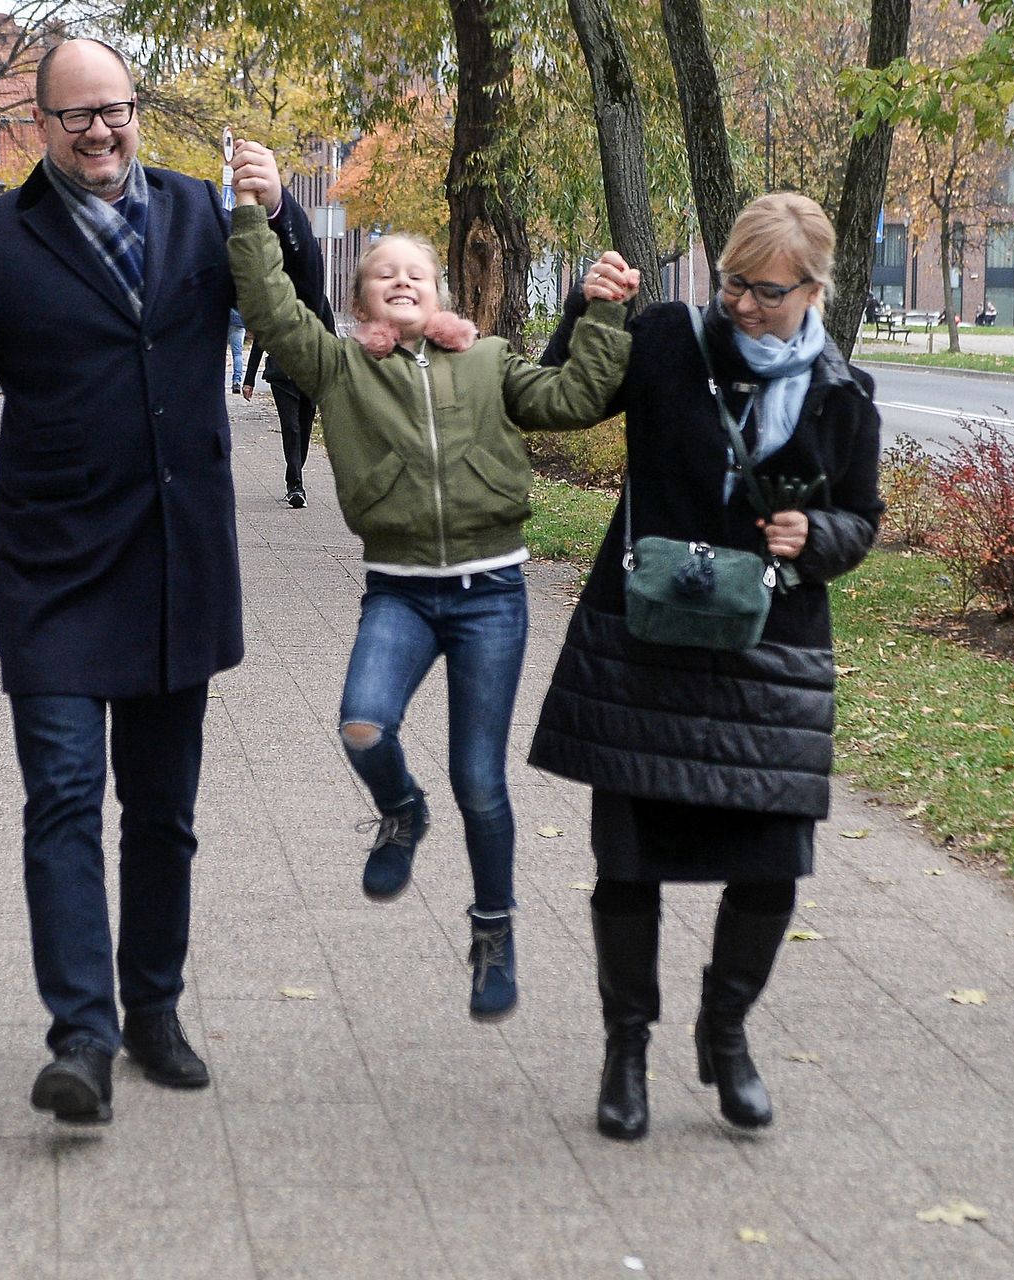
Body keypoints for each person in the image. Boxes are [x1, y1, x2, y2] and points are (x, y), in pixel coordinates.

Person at [0, 39, 326, 1126]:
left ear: (135, 113)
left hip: (176, 562)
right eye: (78, 114)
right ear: (40, 125)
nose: (102, 130)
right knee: (59, 801)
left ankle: (153, 1008)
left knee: (163, 811)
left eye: (117, 109)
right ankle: (81, 1037)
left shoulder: (201, 213)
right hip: (52, 565)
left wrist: (279, 213)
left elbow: (299, 316)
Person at [229, 139, 638, 1020]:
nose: (402, 280)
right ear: (359, 300)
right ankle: (400, 813)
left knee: (481, 781)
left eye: (417, 270)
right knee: (363, 724)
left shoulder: (488, 366)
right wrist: (257, 213)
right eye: (383, 274)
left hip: (492, 594)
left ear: (443, 295)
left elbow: (572, 400)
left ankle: (493, 931)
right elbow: (267, 307)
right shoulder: (340, 369)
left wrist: (601, 312)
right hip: (401, 591)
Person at [529, 193, 883, 1139]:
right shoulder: (664, 341)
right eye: (730, 281)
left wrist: (818, 533)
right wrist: (585, 306)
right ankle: (626, 1047)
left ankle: (724, 1032)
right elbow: (557, 396)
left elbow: (863, 521)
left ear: (813, 289)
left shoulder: (844, 395)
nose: (740, 304)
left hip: (770, 658)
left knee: (771, 866)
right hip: (651, 644)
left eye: (764, 292)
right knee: (629, 863)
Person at [243, 285, 333, 507]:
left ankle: (295, 470)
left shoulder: (319, 300)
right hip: (282, 374)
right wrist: (249, 379)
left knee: (304, 427)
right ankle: (295, 486)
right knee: (291, 427)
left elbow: (331, 337)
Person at [227, 308, 246, 393]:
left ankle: (216, 380)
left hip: (224, 319)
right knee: (237, 354)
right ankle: (237, 382)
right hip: (239, 321)